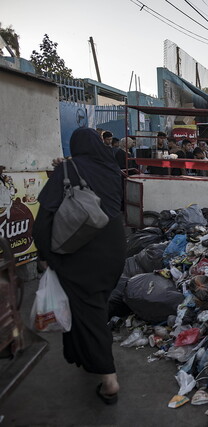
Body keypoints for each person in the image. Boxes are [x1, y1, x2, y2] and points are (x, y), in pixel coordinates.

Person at [33, 128, 126, 404]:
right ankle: (84, 356)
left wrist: (44, 253)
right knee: (90, 304)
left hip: (81, 250)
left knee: (90, 310)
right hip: (114, 248)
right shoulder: (111, 170)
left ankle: (109, 380)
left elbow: (44, 218)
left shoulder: (68, 170)